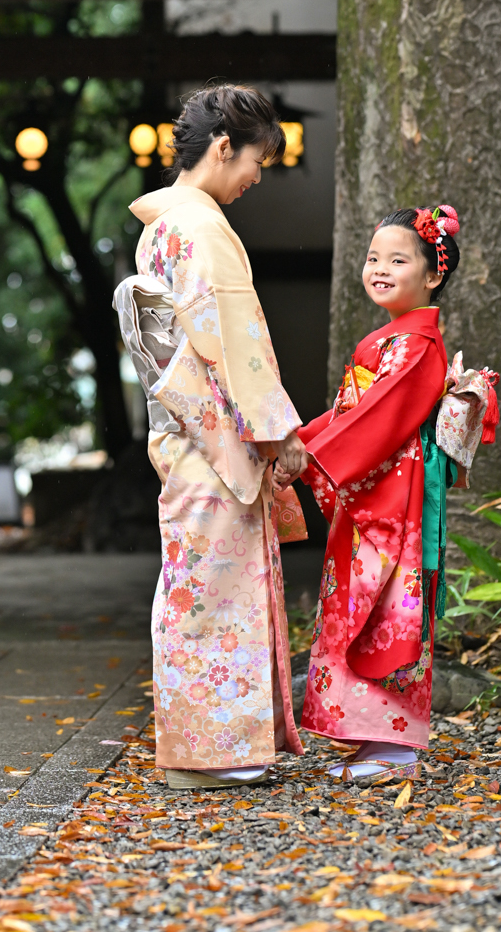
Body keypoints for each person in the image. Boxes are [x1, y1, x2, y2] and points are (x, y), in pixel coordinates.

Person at [114, 84, 309, 791]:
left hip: (183, 431)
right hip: (214, 437)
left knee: (198, 592)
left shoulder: (164, 225)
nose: (258, 177)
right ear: (223, 147)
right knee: (212, 596)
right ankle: (211, 753)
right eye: (256, 160)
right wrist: (274, 434)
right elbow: (229, 341)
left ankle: (210, 749)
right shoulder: (197, 228)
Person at [278, 204, 493, 782]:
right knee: (359, 607)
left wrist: (311, 453)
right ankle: (371, 738)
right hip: (376, 493)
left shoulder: (419, 345)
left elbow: (378, 417)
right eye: (374, 258)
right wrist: (299, 441)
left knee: (389, 607)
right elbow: (354, 413)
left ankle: (394, 745)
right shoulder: (393, 340)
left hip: (397, 499)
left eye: (398, 260)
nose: (380, 269)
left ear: (432, 276)